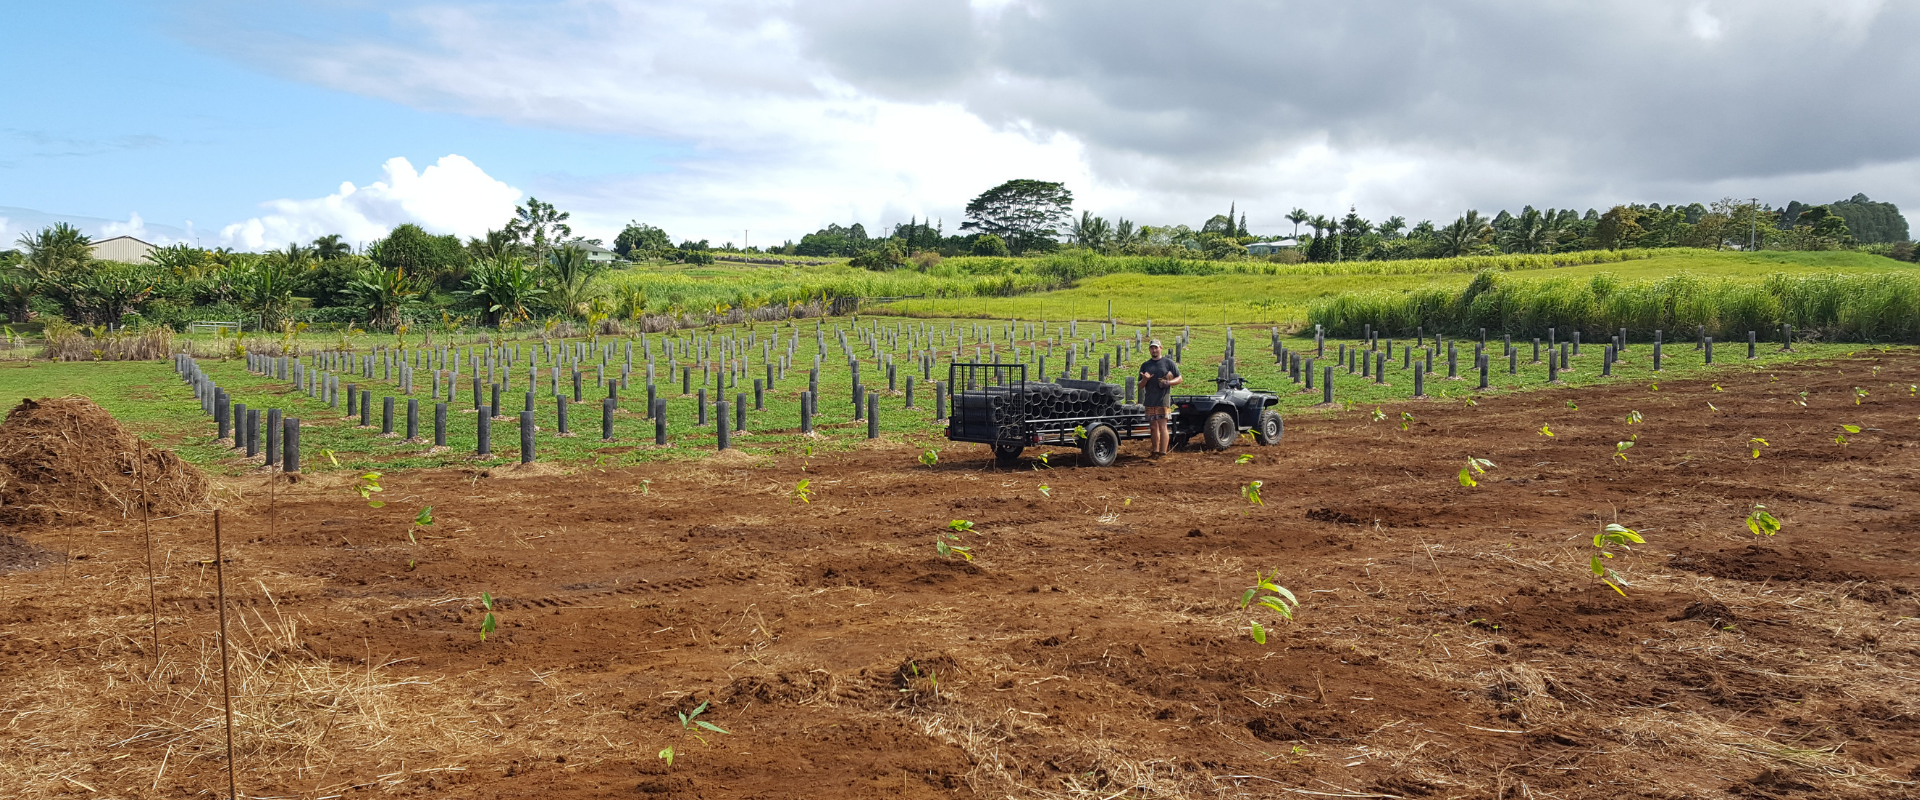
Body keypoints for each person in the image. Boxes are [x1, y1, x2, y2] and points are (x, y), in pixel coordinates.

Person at [1138, 339, 1182, 457]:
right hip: (1149, 399)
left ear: (1161, 348)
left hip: (1163, 400)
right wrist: (1145, 379)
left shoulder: (1168, 363)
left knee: (1163, 426)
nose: (1154, 350)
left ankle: (1163, 452)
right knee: (1153, 426)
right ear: (1149, 349)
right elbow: (1140, 385)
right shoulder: (1145, 365)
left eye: (1156, 347)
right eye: (1152, 348)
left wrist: (1168, 383)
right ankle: (1155, 451)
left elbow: (1179, 378)